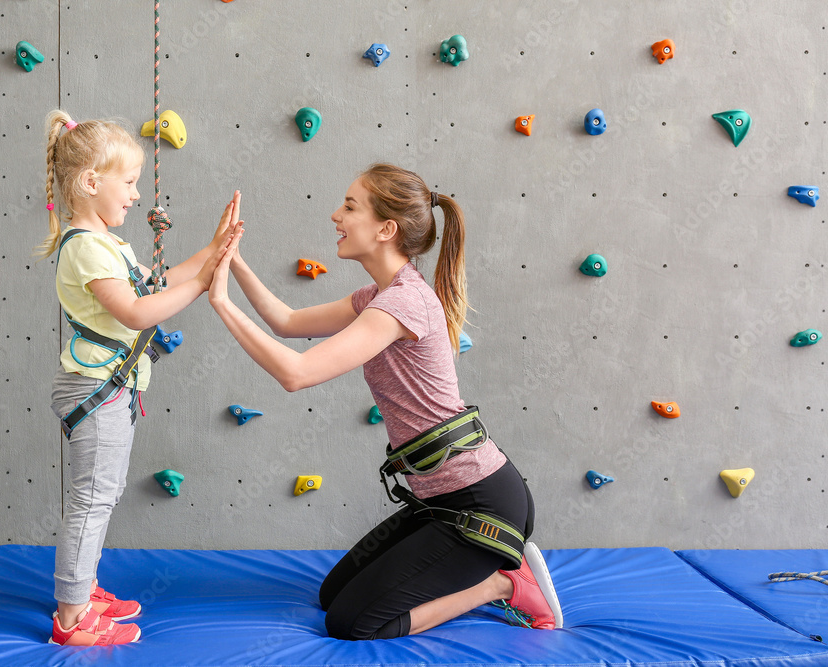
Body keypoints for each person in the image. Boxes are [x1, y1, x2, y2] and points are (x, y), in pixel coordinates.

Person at [208, 164, 563, 640]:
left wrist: (222, 303)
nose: (336, 215)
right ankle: (489, 573)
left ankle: (501, 584)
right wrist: (232, 259)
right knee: (332, 595)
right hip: (438, 501)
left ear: (386, 229)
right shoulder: (379, 295)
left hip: (482, 508)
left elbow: (296, 373)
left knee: (352, 621)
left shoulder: (402, 305)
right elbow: (287, 321)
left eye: (350, 206)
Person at [36, 110, 237, 646]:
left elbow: (163, 281)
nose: (135, 194)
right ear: (90, 182)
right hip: (94, 389)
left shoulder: (108, 244)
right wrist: (203, 288)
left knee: (101, 492)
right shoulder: (84, 246)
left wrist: (215, 250)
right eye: (128, 183)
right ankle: (71, 618)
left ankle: (83, 588)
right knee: (92, 497)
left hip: (108, 388)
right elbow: (138, 311)